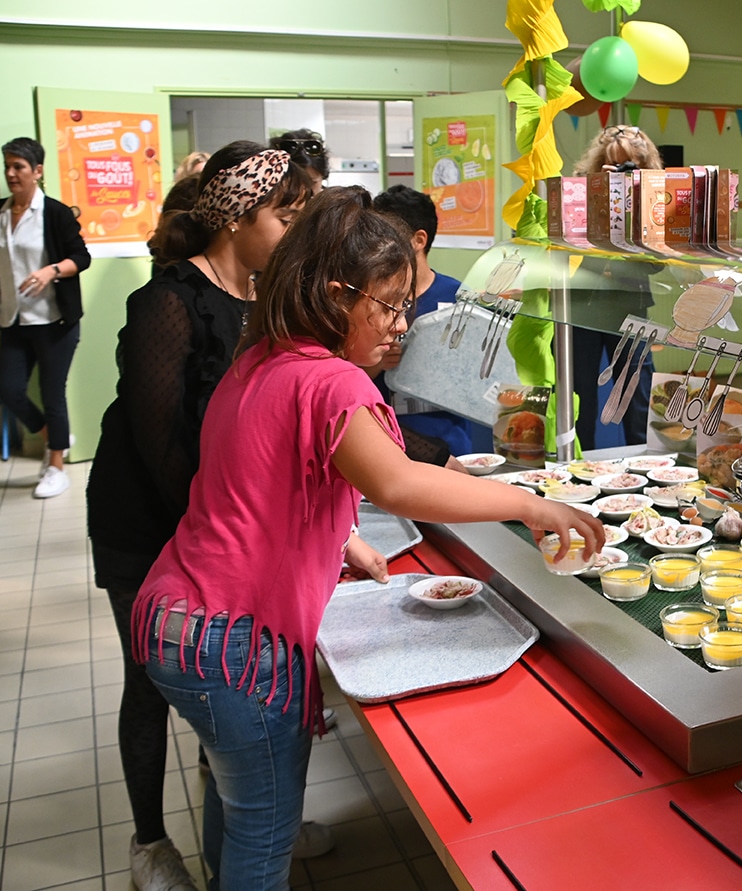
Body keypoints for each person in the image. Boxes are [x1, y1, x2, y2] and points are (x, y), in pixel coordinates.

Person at [132, 186, 604, 890]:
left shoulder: (263, 356)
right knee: (264, 835)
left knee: (235, 800)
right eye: (386, 306)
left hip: (178, 618)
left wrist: (338, 541)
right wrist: (528, 503)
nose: (400, 325)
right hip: (232, 638)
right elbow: (400, 484)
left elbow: (257, 483)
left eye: (404, 305)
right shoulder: (333, 383)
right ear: (332, 294)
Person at [87, 141, 317, 891]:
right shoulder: (167, 300)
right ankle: (151, 844)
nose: (294, 233)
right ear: (239, 217)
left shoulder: (264, 300)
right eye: (286, 217)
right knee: (150, 679)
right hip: (148, 516)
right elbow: (160, 445)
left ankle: (250, 811)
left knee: (227, 674)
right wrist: (237, 529)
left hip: (217, 521)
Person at [0, 137, 91, 498]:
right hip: (13, 319)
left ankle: (56, 467)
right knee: (9, 390)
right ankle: (57, 438)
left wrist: (51, 270)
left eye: (19, 166)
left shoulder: (55, 213)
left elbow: (81, 258)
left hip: (53, 320)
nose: (11, 173)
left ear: (37, 171)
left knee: (53, 394)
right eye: (8, 166)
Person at [569, 125, 663, 449]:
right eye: (614, 165)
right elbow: (567, 247)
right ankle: (576, 469)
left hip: (630, 304)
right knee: (578, 394)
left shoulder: (653, 198)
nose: (621, 172)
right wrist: (600, 198)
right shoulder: (582, 193)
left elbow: (658, 263)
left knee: (637, 395)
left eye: (630, 165)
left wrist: (636, 203)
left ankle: (645, 465)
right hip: (582, 305)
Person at [369, 185, 472, 460]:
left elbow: (478, 378)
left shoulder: (458, 296)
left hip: (450, 442)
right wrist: (379, 363)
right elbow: (346, 374)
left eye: (386, 234)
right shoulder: (368, 296)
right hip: (384, 441)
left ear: (419, 240)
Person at [270, 129, 329, 193]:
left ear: (323, 176)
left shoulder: (333, 201)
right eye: (294, 185)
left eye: (311, 183)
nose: (304, 192)